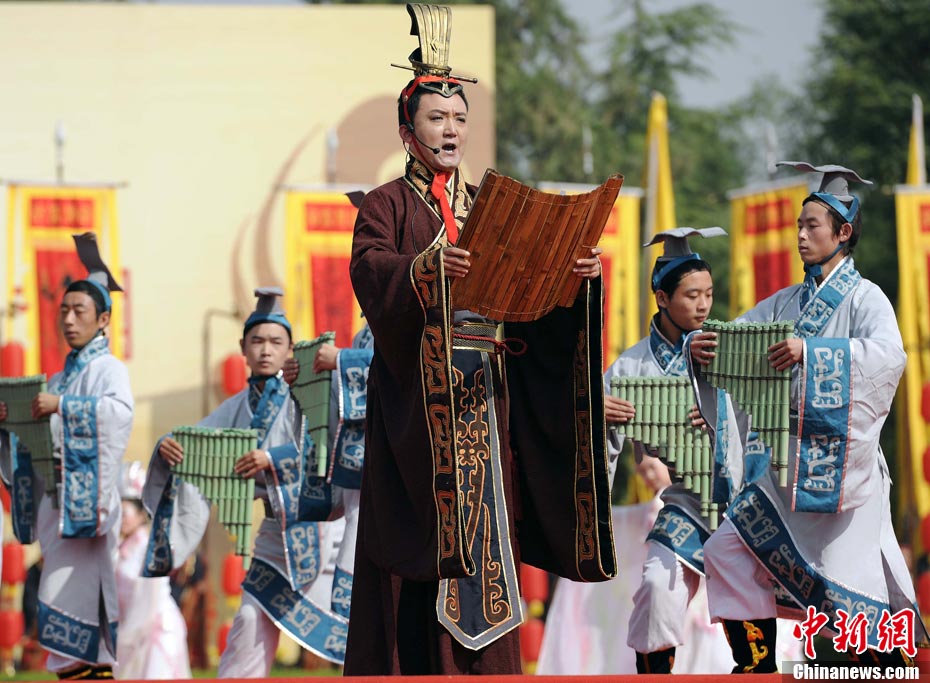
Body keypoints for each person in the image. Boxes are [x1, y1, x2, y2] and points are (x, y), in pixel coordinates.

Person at [345, 3, 615, 675]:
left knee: (489, 533)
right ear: (407, 131)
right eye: (436, 118)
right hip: (421, 407)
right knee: (427, 537)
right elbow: (370, 271)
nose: (451, 130)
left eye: (460, 118)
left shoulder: (489, 208)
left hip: (487, 400)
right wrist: (426, 268)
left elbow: (529, 304)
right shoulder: (385, 205)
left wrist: (576, 278)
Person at [694, 162, 928, 672]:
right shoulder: (784, 303)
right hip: (784, 472)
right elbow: (738, 339)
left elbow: (889, 358)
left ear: (843, 233)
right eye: (798, 226)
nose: (800, 235)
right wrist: (703, 347)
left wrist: (814, 352)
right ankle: (756, 665)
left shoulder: (866, 298)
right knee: (727, 549)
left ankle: (886, 671)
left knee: (849, 593)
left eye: (812, 226)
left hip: (844, 474)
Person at [142, 287, 347, 677]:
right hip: (274, 533)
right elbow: (198, 441)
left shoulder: (309, 394)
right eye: (257, 341)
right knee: (250, 619)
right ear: (243, 348)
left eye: (276, 342)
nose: (266, 350)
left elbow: (326, 451)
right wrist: (169, 446)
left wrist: (272, 460)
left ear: (290, 349)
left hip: (319, 531)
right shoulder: (236, 406)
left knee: (347, 631)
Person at [0, 232, 134, 679]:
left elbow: (119, 417)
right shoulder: (57, 379)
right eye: (64, 311)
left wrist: (64, 407)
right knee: (67, 618)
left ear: (104, 319)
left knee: (71, 612)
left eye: (80, 311)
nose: (70, 320)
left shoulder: (109, 369)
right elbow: (39, 443)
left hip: (87, 510)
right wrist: (10, 426)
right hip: (56, 508)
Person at [603, 227, 723, 674]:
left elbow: (769, 418)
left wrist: (722, 419)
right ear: (662, 298)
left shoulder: (727, 349)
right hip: (687, 501)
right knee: (657, 587)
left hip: (746, 499)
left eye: (708, 294)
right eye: (692, 295)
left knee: (752, 597)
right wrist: (595, 412)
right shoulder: (631, 366)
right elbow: (596, 446)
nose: (703, 305)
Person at [115, 461, 191, 679]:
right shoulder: (120, 549)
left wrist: (124, 639)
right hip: (134, 631)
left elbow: (148, 598)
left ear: (141, 514)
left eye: (126, 513)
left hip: (156, 630)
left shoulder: (149, 548)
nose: (121, 519)